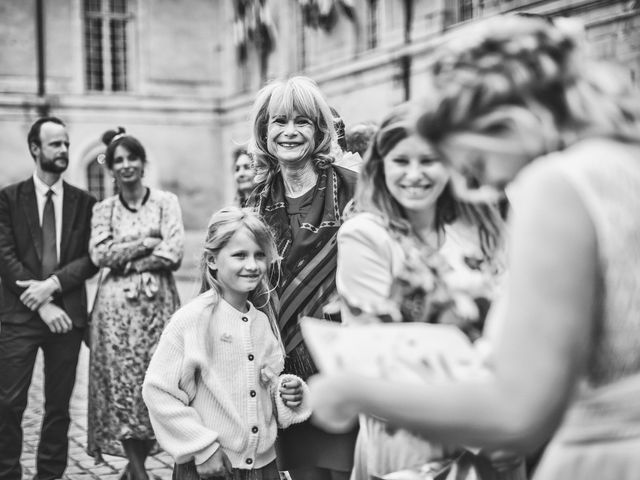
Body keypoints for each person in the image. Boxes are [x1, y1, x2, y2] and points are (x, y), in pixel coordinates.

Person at [308, 13, 640, 480]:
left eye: (474, 161)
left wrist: (351, 392)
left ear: (503, 121)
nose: (474, 183)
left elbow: (517, 413)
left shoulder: (558, 184)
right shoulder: (625, 163)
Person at [335, 103, 520, 480]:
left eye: (429, 160)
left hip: (496, 428)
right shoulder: (366, 236)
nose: (415, 175)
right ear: (381, 165)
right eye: (402, 161)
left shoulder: (479, 231)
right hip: (410, 434)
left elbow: (514, 329)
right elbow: (383, 353)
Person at [142, 206, 311, 480]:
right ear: (212, 260)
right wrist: (203, 448)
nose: (253, 265)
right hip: (211, 468)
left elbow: (263, 385)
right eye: (240, 255)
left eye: (259, 255)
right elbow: (158, 391)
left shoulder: (261, 321)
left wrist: (285, 393)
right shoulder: (192, 320)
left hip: (262, 467)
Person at [246, 76, 359, 480]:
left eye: (303, 122)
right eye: (279, 122)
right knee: (305, 472)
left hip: (344, 364)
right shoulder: (253, 201)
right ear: (264, 131)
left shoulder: (353, 190)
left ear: (320, 130)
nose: (289, 132)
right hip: (285, 370)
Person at [0, 116, 98, 480]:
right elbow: (5, 257)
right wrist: (42, 302)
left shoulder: (84, 202)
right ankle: (8, 472)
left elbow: (90, 259)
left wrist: (53, 285)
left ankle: (50, 475)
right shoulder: (9, 199)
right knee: (9, 403)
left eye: (67, 144)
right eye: (56, 144)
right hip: (18, 317)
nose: (64, 151)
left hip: (67, 319)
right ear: (35, 149)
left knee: (59, 407)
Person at [87, 127, 184, 480]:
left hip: (158, 309)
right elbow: (99, 253)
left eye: (132, 158)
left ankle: (134, 471)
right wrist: (146, 242)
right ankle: (140, 474)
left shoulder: (165, 202)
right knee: (122, 388)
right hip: (114, 316)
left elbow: (173, 253)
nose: (126, 165)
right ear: (111, 169)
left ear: (143, 163)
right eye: (119, 160)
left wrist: (125, 257)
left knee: (154, 383)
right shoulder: (104, 209)